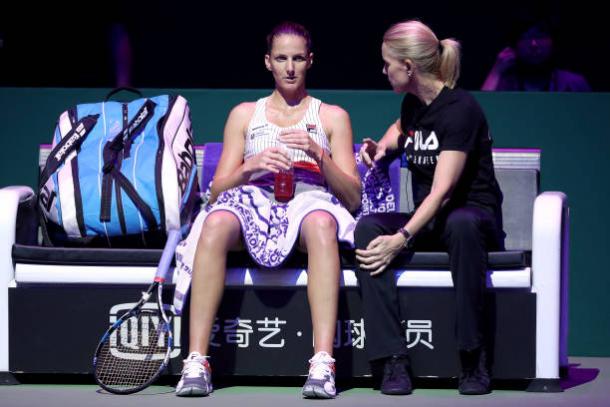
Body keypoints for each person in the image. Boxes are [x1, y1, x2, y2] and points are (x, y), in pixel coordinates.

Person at [173, 22, 361, 399]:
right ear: (268, 63)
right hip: (253, 202)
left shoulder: (332, 117)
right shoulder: (245, 114)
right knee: (215, 222)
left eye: (297, 59)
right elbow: (216, 192)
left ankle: (323, 362)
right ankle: (196, 361)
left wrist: (316, 153)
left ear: (310, 61)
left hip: (310, 203)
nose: (289, 67)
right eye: (281, 59)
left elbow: (353, 198)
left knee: (323, 223)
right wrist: (251, 165)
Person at [355, 20, 505, 396]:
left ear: (408, 66)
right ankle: (391, 360)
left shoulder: (461, 110)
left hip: (472, 216)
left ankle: (472, 357)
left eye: (387, 63)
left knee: (461, 224)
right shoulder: (414, 104)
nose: (383, 70)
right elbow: (401, 129)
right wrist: (382, 149)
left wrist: (401, 238)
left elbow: (442, 191)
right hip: (433, 219)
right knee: (368, 228)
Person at [481, 18, 590, 91]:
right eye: (526, 37)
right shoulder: (505, 83)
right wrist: (496, 71)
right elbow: (478, 116)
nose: (534, 44)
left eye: (540, 36)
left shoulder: (574, 83)